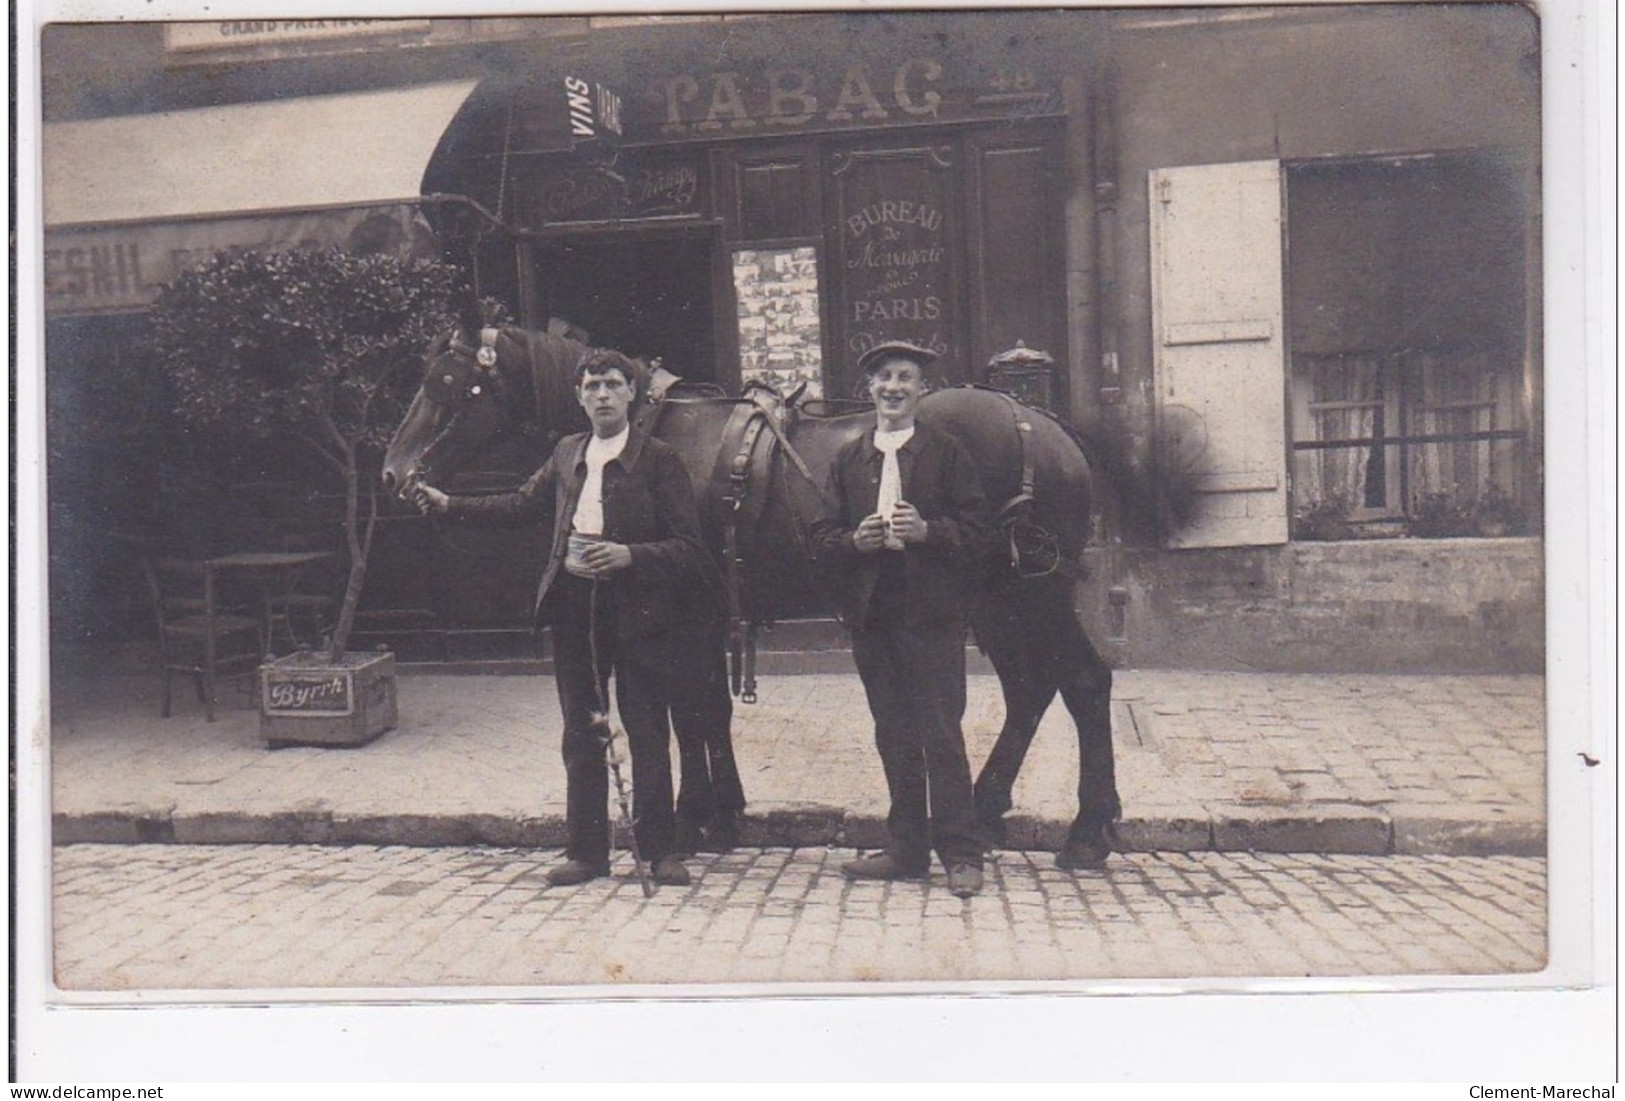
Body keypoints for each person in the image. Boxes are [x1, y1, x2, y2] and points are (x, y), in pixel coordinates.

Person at [413, 348, 707, 888]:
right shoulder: (568, 451)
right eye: (591, 385)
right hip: (575, 608)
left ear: (631, 395)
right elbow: (518, 504)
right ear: (578, 396)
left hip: (640, 612)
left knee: (646, 730)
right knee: (581, 732)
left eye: (612, 385)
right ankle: (587, 854)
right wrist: (450, 503)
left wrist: (630, 556)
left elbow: (691, 547)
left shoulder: (659, 458)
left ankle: (661, 852)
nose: (601, 395)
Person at [811, 341, 993, 898]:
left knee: (941, 734)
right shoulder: (849, 458)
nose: (893, 387)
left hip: (931, 615)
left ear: (922, 391)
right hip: (874, 615)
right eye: (883, 377)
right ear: (869, 389)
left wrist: (930, 532)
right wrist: (853, 541)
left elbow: (981, 534)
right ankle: (907, 850)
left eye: (905, 378)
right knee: (893, 734)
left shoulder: (946, 453)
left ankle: (961, 854)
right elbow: (819, 537)